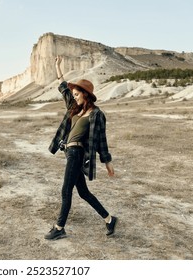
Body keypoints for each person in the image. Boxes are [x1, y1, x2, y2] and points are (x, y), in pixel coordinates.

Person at [44, 55, 117, 240]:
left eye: (77, 94)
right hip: (69, 152)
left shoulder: (96, 114)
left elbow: (102, 139)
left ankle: (59, 227)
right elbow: (64, 89)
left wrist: (107, 162)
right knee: (83, 192)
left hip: (77, 153)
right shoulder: (75, 108)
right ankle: (109, 219)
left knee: (65, 190)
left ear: (85, 94)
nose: (74, 97)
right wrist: (58, 67)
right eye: (74, 95)